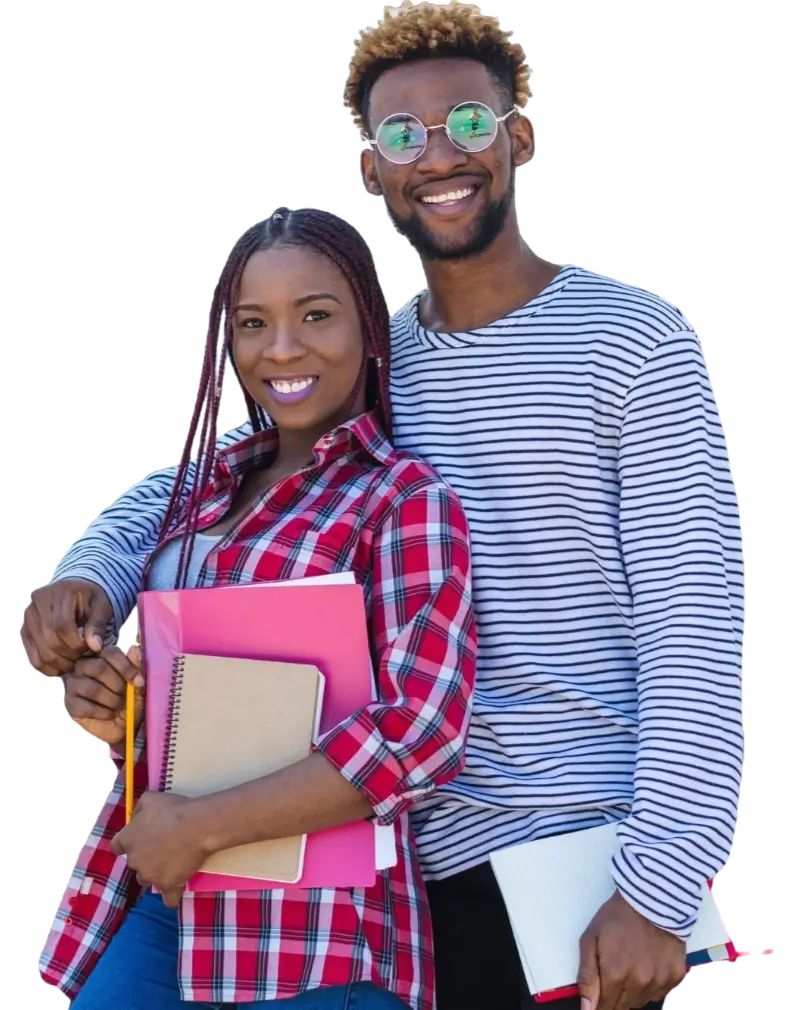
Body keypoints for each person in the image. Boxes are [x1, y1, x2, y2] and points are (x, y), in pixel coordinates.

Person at [26, 4, 744, 1010]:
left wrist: (657, 886)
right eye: (401, 134)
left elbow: (695, 629)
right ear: (371, 169)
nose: (437, 153)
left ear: (519, 137)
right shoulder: (372, 351)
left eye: (468, 121)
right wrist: (89, 570)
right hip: (397, 860)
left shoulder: (634, 341)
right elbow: (200, 484)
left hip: (579, 859)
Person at [35, 208, 477, 1009]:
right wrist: (116, 692)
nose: (282, 349)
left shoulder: (403, 500)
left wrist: (204, 826)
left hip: (312, 935)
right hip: (167, 894)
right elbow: (155, 628)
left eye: (315, 315)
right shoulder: (206, 485)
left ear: (370, 327)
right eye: (252, 323)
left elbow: (422, 730)